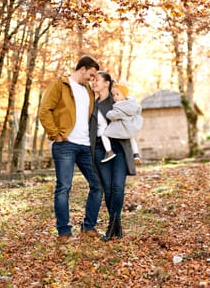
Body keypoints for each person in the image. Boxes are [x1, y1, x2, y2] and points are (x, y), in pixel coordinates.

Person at [38, 55, 102, 240]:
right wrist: (55, 134)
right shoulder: (61, 85)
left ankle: (88, 226)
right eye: (90, 74)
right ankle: (64, 231)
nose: (92, 79)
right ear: (82, 69)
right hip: (65, 144)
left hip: (86, 146)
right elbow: (44, 110)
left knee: (98, 184)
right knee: (64, 187)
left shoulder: (89, 91)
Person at [90, 71, 138, 242]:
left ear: (107, 83)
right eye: (92, 79)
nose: (93, 82)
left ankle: (113, 225)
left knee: (118, 187)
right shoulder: (92, 104)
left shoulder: (118, 100)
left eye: (97, 80)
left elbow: (133, 117)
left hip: (119, 147)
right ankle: (115, 226)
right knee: (108, 188)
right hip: (99, 149)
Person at [99, 82, 143, 166]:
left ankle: (109, 151)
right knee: (132, 138)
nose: (114, 97)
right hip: (130, 126)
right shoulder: (133, 104)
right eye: (113, 95)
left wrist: (108, 113)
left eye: (117, 94)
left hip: (122, 127)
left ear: (124, 95)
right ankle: (136, 154)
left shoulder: (119, 105)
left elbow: (114, 115)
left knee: (104, 134)